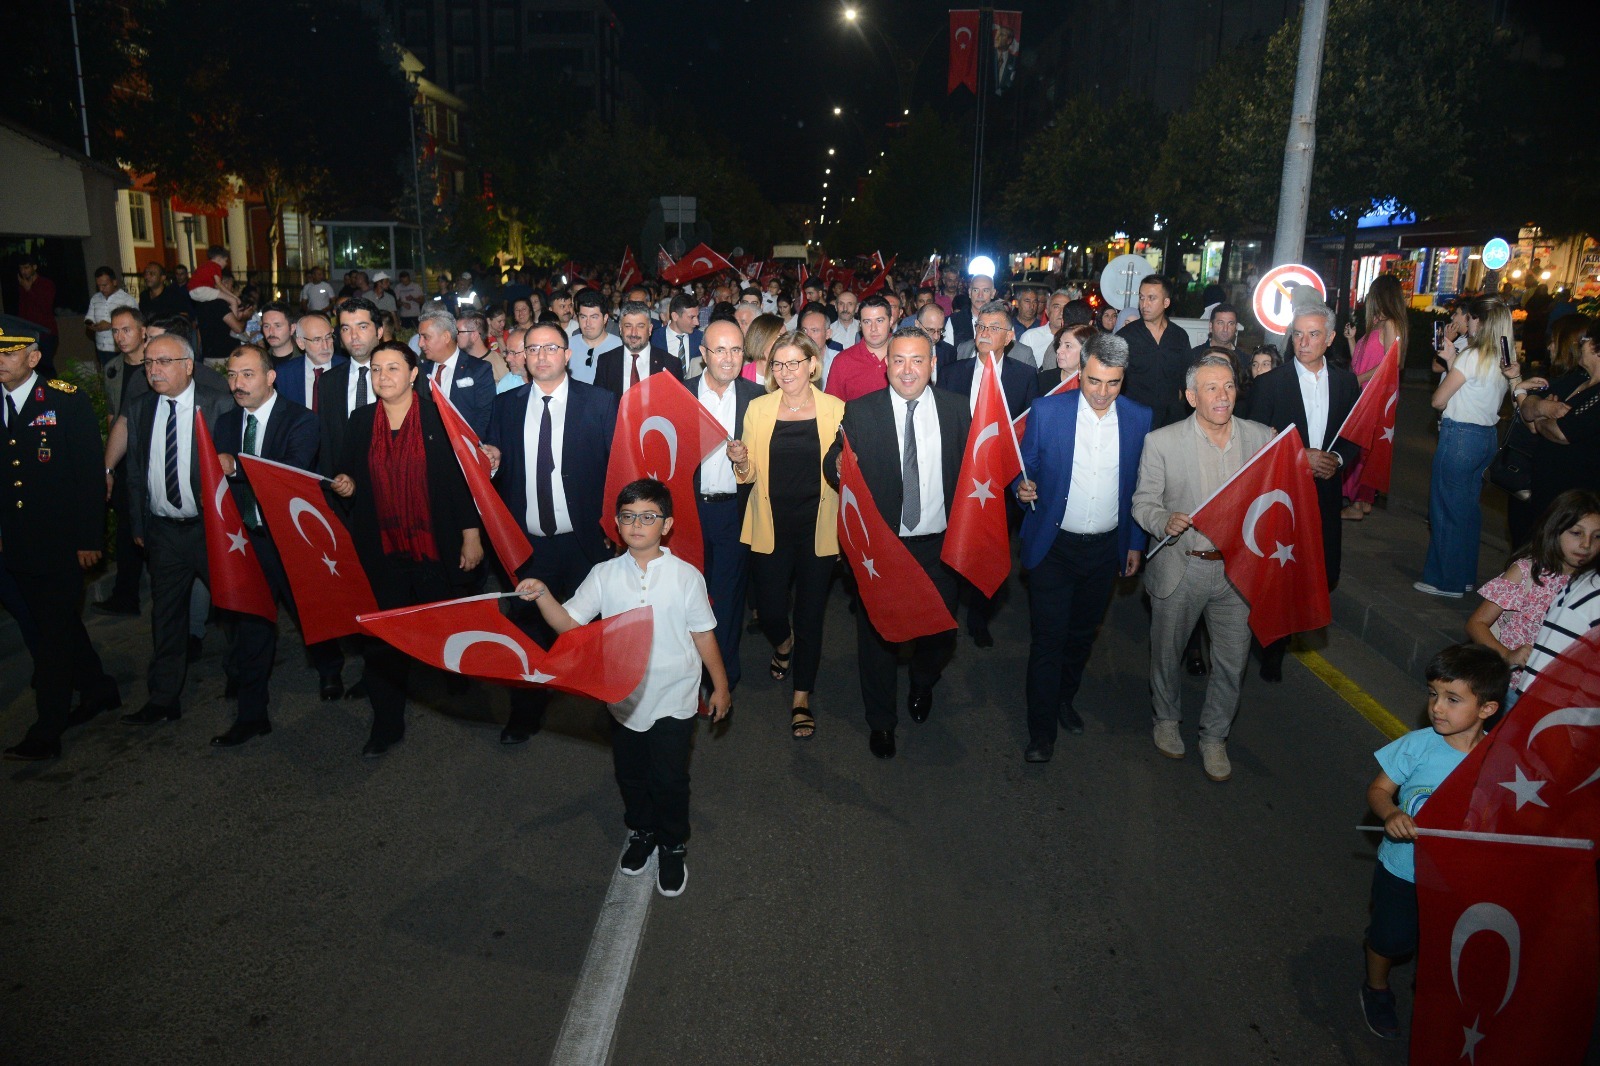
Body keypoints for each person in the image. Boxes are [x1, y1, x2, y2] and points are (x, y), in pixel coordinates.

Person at [515, 479, 728, 897]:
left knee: (669, 778)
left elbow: (703, 634)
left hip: (675, 694)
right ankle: (642, 831)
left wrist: (719, 686)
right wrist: (542, 596)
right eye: (628, 517)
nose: (637, 525)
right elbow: (571, 625)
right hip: (624, 698)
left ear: (666, 525)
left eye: (648, 517)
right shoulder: (604, 574)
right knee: (630, 774)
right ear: (616, 523)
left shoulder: (686, 577)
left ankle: (672, 843)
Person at [328, 342, 483, 755]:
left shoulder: (437, 417)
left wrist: (471, 534)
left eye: (393, 368)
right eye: (377, 369)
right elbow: (348, 473)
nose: (383, 377)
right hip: (381, 547)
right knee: (382, 638)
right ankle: (386, 723)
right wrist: (347, 484)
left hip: (435, 543)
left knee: (445, 619)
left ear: (414, 374)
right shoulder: (361, 421)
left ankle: (456, 673)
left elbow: (459, 481)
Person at [822, 326, 969, 759]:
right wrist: (837, 463)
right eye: (899, 360)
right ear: (886, 365)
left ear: (932, 364)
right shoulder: (860, 411)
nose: (907, 370)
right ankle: (882, 722)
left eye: (917, 360)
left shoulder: (957, 409)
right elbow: (834, 462)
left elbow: (972, 470)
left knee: (940, 634)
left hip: (939, 547)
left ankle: (923, 682)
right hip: (881, 547)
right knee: (877, 641)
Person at [1133, 354, 1276, 782]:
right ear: (1191, 396)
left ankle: (1215, 737)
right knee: (1167, 653)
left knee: (1232, 662)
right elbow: (1143, 502)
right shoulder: (1162, 442)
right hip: (1183, 565)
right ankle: (1166, 719)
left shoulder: (1261, 438)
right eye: (1211, 388)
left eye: (1229, 386)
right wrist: (1163, 521)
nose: (1223, 396)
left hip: (1237, 573)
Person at [1359, 644, 1509, 1042]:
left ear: (1487, 709)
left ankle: (1432, 995)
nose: (1437, 707)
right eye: (1433, 694)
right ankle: (1376, 987)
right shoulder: (1418, 745)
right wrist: (1391, 814)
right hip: (1402, 871)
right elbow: (1378, 790)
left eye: (1452, 699)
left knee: (1443, 944)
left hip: (1457, 880)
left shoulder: (1499, 760)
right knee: (1390, 939)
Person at [1014, 334, 1151, 762]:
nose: (1102, 392)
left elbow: (1139, 487)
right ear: (1080, 371)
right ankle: (1040, 733)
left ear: (1123, 379)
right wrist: (1022, 487)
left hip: (1105, 549)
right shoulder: (1047, 411)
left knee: (1080, 637)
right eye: (1093, 381)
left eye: (1113, 383)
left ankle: (1063, 700)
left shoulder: (1139, 418)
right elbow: (1025, 466)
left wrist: (1134, 543)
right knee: (1048, 640)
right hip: (1054, 548)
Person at [487, 322, 617, 744]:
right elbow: (496, 469)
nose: (541, 356)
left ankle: (611, 708)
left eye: (551, 348)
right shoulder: (505, 406)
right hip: (527, 545)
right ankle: (525, 712)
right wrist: (491, 461)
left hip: (585, 542)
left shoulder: (599, 402)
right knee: (526, 631)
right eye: (533, 349)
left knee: (594, 629)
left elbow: (616, 469)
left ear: (567, 354)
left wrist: (614, 529)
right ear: (523, 356)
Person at [0, 334, 121, 760]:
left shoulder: (64, 401)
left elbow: (88, 475)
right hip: (15, 544)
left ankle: (46, 731)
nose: (0, 360)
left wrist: (89, 539)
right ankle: (99, 688)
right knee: (57, 624)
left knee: (50, 637)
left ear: (33, 358)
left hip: (61, 544)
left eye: (8, 353)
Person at [117, 333, 235, 725]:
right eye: (149, 363)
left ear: (188, 366)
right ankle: (163, 698)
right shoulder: (141, 407)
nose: (154, 370)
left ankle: (244, 679)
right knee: (166, 616)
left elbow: (239, 463)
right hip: (163, 531)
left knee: (233, 608)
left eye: (164, 362)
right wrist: (140, 524)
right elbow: (135, 471)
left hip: (210, 529)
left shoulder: (218, 405)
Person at [1242, 303, 1360, 681]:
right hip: (1283, 495)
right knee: (1280, 572)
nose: (1303, 342)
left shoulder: (1346, 383)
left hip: (1325, 495)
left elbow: (1355, 434)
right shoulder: (1270, 384)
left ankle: (1290, 630)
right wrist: (1297, 456)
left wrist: (1336, 459)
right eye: (1297, 334)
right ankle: (1271, 649)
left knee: (1322, 571)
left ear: (1330, 338)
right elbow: (1253, 442)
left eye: (1313, 335)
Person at [209, 345, 320, 746]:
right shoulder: (225, 422)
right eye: (232, 375)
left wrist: (235, 466)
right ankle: (252, 715)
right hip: (247, 541)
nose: (237, 384)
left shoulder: (300, 420)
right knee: (252, 627)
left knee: (310, 613)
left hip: (289, 541)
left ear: (270, 377)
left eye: (247, 375)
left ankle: (330, 669)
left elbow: (291, 470)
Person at [736, 332, 843, 739]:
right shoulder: (759, 409)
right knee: (769, 609)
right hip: (770, 525)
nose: (785, 371)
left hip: (818, 527)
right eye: (778, 364)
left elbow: (845, 474)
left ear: (812, 365)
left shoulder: (836, 409)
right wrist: (740, 461)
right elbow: (748, 475)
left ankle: (801, 698)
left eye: (794, 363)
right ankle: (783, 645)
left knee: (811, 616)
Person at [1415, 298, 1514, 598]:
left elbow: (1439, 400)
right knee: (1468, 511)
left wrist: (1453, 362)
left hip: (1460, 436)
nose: (1467, 323)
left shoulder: (1472, 355)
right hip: (1486, 437)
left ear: (1480, 322)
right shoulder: (1503, 356)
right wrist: (1451, 360)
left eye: (1470, 318)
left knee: (1447, 510)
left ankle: (1446, 581)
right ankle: (1464, 576)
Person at [691, 321, 764, 695]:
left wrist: (746, 460)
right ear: (703, 354)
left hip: (735, 513)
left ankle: (722, 679)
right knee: (687, 596)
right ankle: (687, 674)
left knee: (728, 598)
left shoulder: (758, 398)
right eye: (719, 350)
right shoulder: (682, 394)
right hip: (687, 513)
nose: (729, 358)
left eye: (736, 350)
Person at [1466, 490, 1600, 694]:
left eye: (1597, 536)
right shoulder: (1527, 572)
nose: (1586, 544)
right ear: (1554, 530)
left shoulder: (1591, 585)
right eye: (1576, 533)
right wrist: (1507, 654)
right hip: (1510, 685)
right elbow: (1476, 623)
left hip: (1552, 689)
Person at [1512, 318, 1600, 547]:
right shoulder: (1579, 381)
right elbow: (1528, 407)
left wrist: (1541, 415)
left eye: (1586, 340)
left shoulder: (1596, 394)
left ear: (1596, 347)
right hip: (1544, 496)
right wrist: (1543, 408)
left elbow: (1561, 433)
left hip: (1570, 507)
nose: (1581, 345)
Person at [1340, 278, 1409, 520]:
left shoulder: (1391, 323)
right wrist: (1352, 340)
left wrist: (1359, 379)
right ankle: (1363, 500)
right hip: (1363, 393)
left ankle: (1359, 504)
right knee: (1361, 447)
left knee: (1364, 448)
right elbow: (1361, 362)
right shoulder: (1378, 323)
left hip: (1375, 395)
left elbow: (1391, 362)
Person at [1116, 275, 1190, 428]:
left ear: (1166, 302)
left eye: (1151, 298)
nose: (1144, 304)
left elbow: (1187, 376)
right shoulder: (1125, 336)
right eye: (1141, 298)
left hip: (1170, 420)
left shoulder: (1179, 336)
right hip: (1133, 417)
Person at [416, 309, 494, 439]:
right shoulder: (420, 372)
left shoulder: (478, 370)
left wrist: (469, 446)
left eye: (425, 337)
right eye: (419, 337)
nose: (420, 343)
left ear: (446, 337)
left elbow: (485, 416)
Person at [824, 294, 896, 401]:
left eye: (879, 321)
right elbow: (831, 406)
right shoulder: (843, 361)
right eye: (867, 322)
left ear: (891, 321)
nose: (873, 328)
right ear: (860, 324)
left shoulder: (906, 355)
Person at [85, 266, 139, 393]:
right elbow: (88, 317)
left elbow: (136, 324)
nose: (101, 289)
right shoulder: (95, 299)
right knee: (107, 380)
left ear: (114, 282)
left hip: (118, 349)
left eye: (105, 285)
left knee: (120, 381)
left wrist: (110, 325)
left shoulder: (127, 300)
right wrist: (91, 324)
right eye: (99, 286)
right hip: (101, 347)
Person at [569, 288, 622, 386]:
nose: (588, 323)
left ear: (605, 318)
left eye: (594, 317)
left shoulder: (619, 346)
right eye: (583, 317)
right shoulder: (569, 345)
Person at [16, 256, 59, 365]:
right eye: (21, 268)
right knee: (32, 366)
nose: (23, 271)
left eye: (26, 268)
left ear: (34, 267)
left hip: (46, 334)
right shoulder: (22, 286)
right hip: (29, 335)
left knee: (46, 366)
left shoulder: (46, 284)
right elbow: (23, 311)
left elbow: (45, 306)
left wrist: (29, 290)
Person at [1019, 289, 1072, 369]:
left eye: (1066, 308)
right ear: (1047, 312)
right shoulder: (1030, 337)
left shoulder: (1077, 339)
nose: (1062, 312)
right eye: (1056, 307)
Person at [652, 294, 703, 375]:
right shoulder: (654, 338)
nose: (697, 323)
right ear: (675, 316)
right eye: (691, 317)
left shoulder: (701, 338)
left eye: (697, 317)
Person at [1041, 323, 1095, 392]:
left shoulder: (1096, 385)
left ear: (1086, 351)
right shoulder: (1043, 379)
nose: (1058, 350)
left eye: (1068, 346)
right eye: (1060, 344)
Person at [739, 313, 785, 387]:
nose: (786, 341)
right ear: (763, 339)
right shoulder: (741, 376)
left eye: (786, 336)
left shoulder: (789, 373)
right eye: (780, 336)